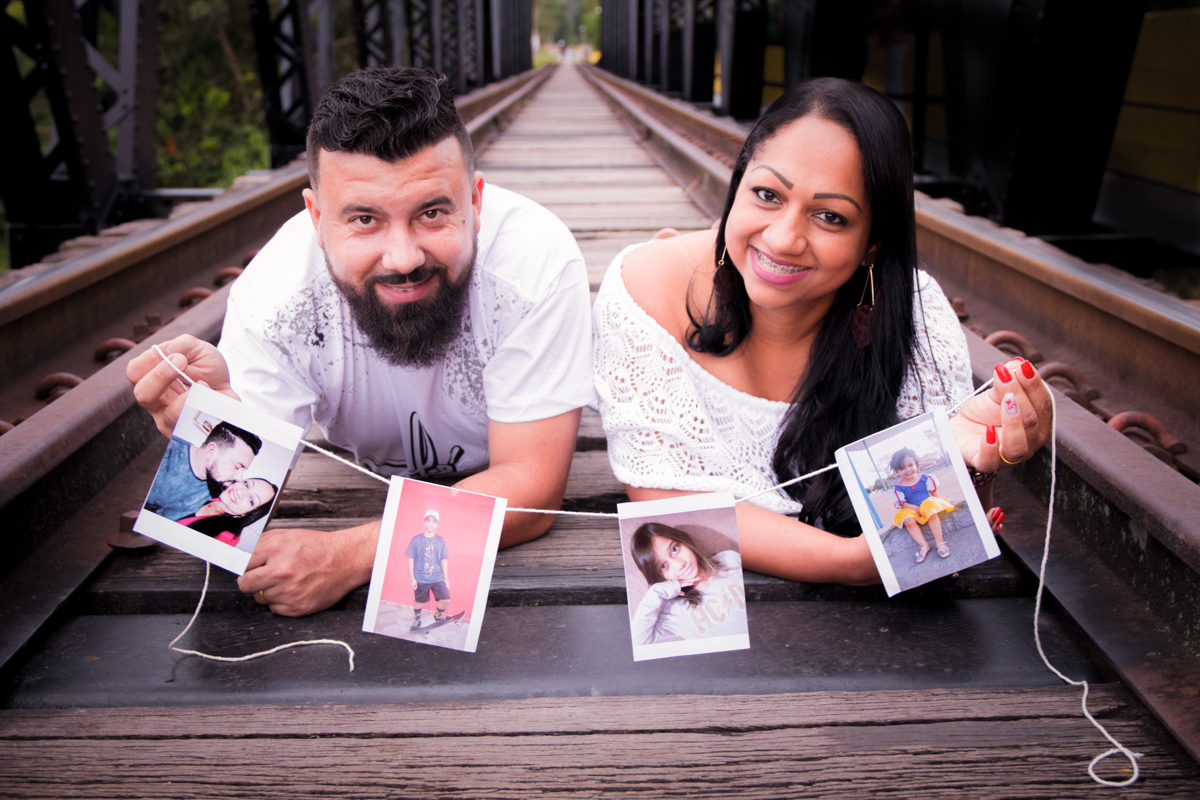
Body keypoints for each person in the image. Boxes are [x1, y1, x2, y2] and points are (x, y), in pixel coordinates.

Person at [127, 66, 594, 616]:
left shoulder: (534, 262)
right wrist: (219, 427)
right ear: (317, 218)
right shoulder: (275, 297)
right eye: (365, 219)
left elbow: (531, 486)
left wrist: (351, 555)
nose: (403, 258)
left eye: (432, 213)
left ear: (475, 202)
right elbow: (218, 522)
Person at [593, 77, 1052, 586]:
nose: (783, 238)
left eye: (830, 216)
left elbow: (944, 535)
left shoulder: (917, 321)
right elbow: (664, 499)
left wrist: (977, 462)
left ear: (873, 243)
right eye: (767, 194)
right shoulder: (646, 289)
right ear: (737, 185)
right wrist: (853, 563)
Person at [628, 523, 747, 645]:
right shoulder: (673, 611)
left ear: (684, 541)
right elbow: (638, 642)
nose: (679, 564)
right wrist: (655, 593)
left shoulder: (729, 559)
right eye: (663, 566)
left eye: (674, 549)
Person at [144, 422, 261, 522]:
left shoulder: (213, 494)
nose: (240, 478)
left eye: (243, 470)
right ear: (211, 452)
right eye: (237, 466)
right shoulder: (166, 452)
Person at [889, 448, 954, 562]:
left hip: (927, 505)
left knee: (931, 511)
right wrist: (916, 508)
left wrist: (941, 502)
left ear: (916, 464)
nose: (908, 470)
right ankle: (924, 545)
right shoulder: (898, 487)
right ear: (897, 471)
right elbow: (903, 504)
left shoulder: (925, 478)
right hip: (911, 508)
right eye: (902, 468)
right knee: (908, 520)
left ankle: (940, 543)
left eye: (910, 465)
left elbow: (934, 493)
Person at [176, 478, 279, 547]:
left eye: (251, 500)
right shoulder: (206, 489)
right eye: (246, 484)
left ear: (248, 514)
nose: (240, 492)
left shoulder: (226, 538)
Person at [405, 509, 451, 630]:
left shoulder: (440, 540)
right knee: (418, 600)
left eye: (434, 521)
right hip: (421, 578)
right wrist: (412, 578)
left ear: (437, 524)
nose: (431, 524)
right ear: (424, 522)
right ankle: (417, 620)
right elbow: (411, 559)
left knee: (446, 599)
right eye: (428, 520)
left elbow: (443, 560)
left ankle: (438, 615)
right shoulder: (416, 539)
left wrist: (446, 578)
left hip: (437, 578)